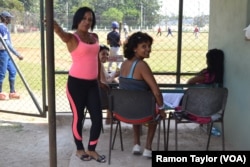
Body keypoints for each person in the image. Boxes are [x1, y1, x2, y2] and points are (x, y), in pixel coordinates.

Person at [52, 7, 107, 163]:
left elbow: (96, 60)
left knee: (97, 118)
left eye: (90, 19)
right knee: (79, 117)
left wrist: (100, 80)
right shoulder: (72, 38)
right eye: (84, 18)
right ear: (77, 20)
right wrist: (53, 24)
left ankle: (91, 149)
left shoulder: (94, 37)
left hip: (92, 84)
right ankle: (79, 149)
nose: (87, 22)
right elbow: (61, 34)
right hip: (76, 84)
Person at [119, 31, 166, 158]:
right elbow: (156, 91)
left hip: (123, 111)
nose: (148, 49)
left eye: (149, 46)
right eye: (144, 46)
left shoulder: (123, 64)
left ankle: (136, 144)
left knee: (136, 103)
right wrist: (162, 108)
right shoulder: (142, 65)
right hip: (141, 112)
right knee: (154, 113)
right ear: (135, 48)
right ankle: (148, 148)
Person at [0, 11, 23, 100]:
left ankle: (12, 92)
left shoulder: (5, 27)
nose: (10, 19)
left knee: (13, 71)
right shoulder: (2, 27)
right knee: (2, 73)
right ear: (4, 18)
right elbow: (7, 44)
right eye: (9, 17)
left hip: (7, 53)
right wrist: (17, 54)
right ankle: (0, 92)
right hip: (2, 53)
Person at [98, 44, 119, 124]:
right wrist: (114, 74)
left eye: (107, 54)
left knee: (114, 84)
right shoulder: (99, 64)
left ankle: (109, 118)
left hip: (96, 94)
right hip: (101, 98)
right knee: (117, 92)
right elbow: (106, 82)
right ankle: (111, 118)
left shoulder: (98, 63)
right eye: (103, 54)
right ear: (97, 54)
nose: (106, 56)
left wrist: (114, 74)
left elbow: (105, 78)